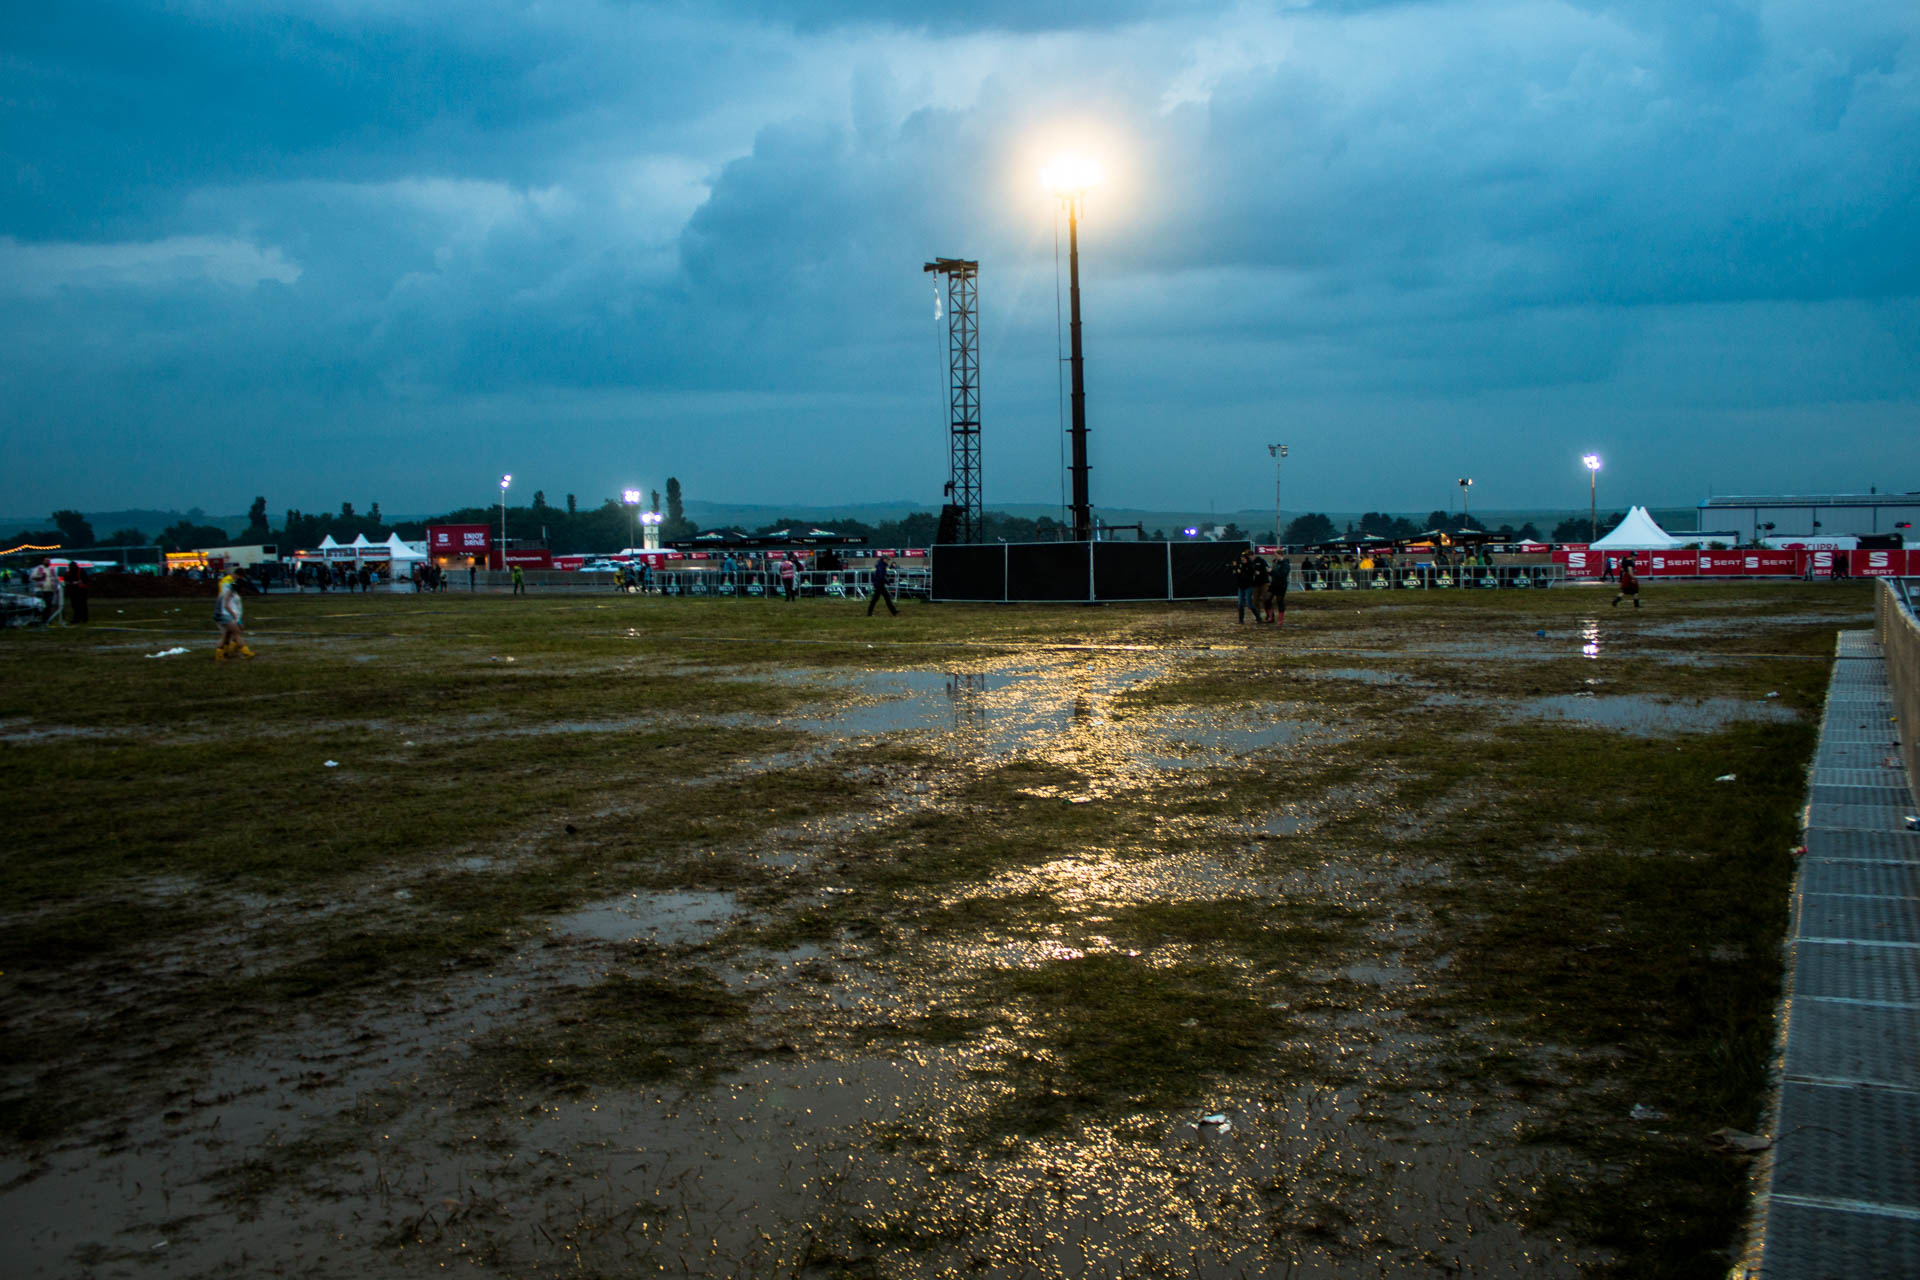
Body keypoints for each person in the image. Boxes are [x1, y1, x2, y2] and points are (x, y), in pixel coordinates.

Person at [214, 573, 254, 660]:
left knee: (226, 635)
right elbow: (226, 605)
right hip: (227, 616)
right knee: (237, 633)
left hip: (228, 616)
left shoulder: (232, 592)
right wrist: (234, 616)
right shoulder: (229, 592)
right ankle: (246, 653)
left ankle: (223, 653)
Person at [29, 558, 60, 623]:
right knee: (39, 605)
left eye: (48, 561)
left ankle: (46, 619)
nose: (48, 562)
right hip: (40, 590)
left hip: (50, 590)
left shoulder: (52, 569)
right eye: (46, 561)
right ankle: (37, 619)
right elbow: (32, 578)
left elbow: (56, 579)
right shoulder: (38, 568)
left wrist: (55, 586)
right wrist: (40, 577)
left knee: (48, 606)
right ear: (42, 561)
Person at [1233, 551, 1260, 623]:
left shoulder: (1250, 566)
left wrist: (1240, 573)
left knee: (1249, 603)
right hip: (1241, 586)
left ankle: (1258, 617)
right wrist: (1236, 571)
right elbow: (1237, 576)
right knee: (1240, 604)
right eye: (1242, 559)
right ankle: (1241, 620)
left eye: (1244, 559)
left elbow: (1249, 577)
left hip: (1248, 586)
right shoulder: (1240, 565)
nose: (1242, 561)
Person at [1270, 552, 1290, 625]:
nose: (1275, 557)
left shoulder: (1285, 564)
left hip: (1281, 585)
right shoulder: (1275, 562)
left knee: (1279, 601)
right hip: (1274, 584)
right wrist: (1270, 572)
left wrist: (1272, 571)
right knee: (1267, 599)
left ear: (1281, 555)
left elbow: (1282, 575)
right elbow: (1274, 573)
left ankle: (1280, 619)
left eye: (1276, 555)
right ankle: (1271, 616)